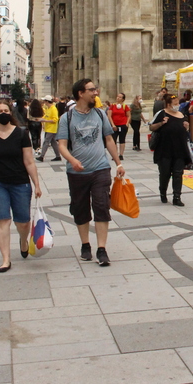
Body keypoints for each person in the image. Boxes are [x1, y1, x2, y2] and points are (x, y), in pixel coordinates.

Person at [57, 79, 126, 267]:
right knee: (80, 209)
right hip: (76, 172)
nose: (95, 92)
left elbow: (109, 139)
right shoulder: (67, 118)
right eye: (92, 90)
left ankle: (101, 249)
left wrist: (118, 163)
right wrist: (72, 160)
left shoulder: (100, 114)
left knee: (102, 206)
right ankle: (85, 244)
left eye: (95, 89)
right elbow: (61, 145)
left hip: (100, 169)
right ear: (81, 93)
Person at [0, 99, 42, 272]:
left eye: (6, 110)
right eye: (0, 111)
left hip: (20, 182)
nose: (3, 114)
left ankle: (23, 241)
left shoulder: (21, 134)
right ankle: (6, 259)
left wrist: (37, 184)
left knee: (23, 222)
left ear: (10, 113)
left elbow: (29, 161)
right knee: (2, 220)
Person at [149, 94, 189, 206]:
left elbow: (185, 130)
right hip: (164, 149)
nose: (178, 105)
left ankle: (177, 196)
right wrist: (162, 123)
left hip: (179, 149)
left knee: (178, 173)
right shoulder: (162, 113)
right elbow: (151, 127)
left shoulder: (181, 115)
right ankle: (163, 193)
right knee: (165, 173)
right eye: (175, 103)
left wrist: (187, 127)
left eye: (178, 103)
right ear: (168, 104)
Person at [36, 95, 61, 162]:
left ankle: (42, 156)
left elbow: (55, 119)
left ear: (47, 101)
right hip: (48, 128)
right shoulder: (48, 108)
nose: (44, 102)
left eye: (44, 101)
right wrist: (40, 119)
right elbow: (45, 117)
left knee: (46, 142)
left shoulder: (53, 109)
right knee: (53, 143)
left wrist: (44, 120)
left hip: (52, 129)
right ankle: (58, 156)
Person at [107, 93, 130, 158]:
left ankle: (121, 154)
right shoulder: (112, 106)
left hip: (123, 125)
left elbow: (128, 115)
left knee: (122, 140)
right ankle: (115, 154)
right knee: (114, 140)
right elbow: (109, 115)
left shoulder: (125, 106)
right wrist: (113, 124)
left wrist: (127, 124)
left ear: (123, 99)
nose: (118, 98)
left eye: (120, 97)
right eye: (117, 96)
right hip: (114, 125)